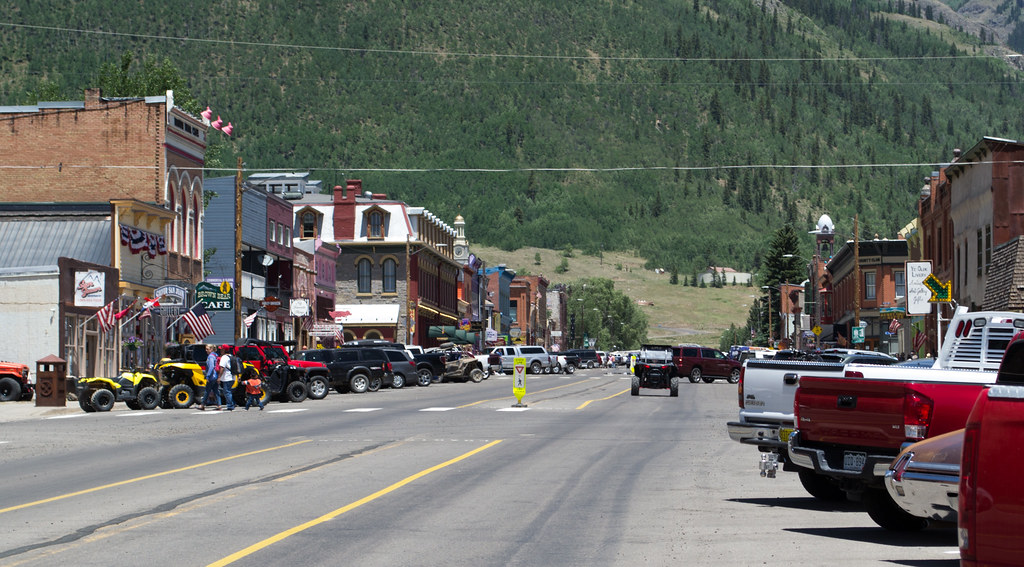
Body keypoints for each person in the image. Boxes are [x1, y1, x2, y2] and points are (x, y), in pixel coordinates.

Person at [199, 344, 221, 411]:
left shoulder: (211, 356)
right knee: (216, 391)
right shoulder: (216, 355)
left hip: (212, 376)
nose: (206, 350)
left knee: (207, 391)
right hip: (216, 375)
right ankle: (219, 405)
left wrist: (207, 376)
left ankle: (202, 405)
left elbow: (211, 367)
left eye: (207, 349)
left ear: (211, 349)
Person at [218, 345, 236, 411]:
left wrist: (219, 377)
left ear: (224, 350)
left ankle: (230, 405)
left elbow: (222, 367)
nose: (220, 350)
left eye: (221, 349)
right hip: (233, 377)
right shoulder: (231, 356)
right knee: (228, 391)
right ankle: (232, 403)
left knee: (227, 392)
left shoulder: (224, 357)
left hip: (227, 377)